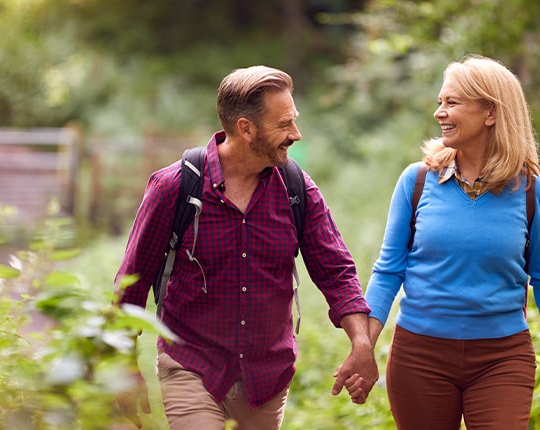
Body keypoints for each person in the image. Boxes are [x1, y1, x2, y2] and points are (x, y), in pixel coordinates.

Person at [114, 65, 377, 429]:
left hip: (266, 378)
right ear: (246, 128)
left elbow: (335, 270)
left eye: (294, 121)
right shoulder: (174, 187)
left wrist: (361, 343)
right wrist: (122, 365)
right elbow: (132, 281)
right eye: (283, 124)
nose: (295, 134)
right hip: (192, 367)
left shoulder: (297, 190)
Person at [355, 55, 540, 429]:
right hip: (419, 357)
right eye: (440, 102)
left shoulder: (533, 192)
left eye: (452, 102)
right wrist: (363, 348)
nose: (440, 112)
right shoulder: (417, 181)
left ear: (490, 112)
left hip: (502, 359)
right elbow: (389, 270)